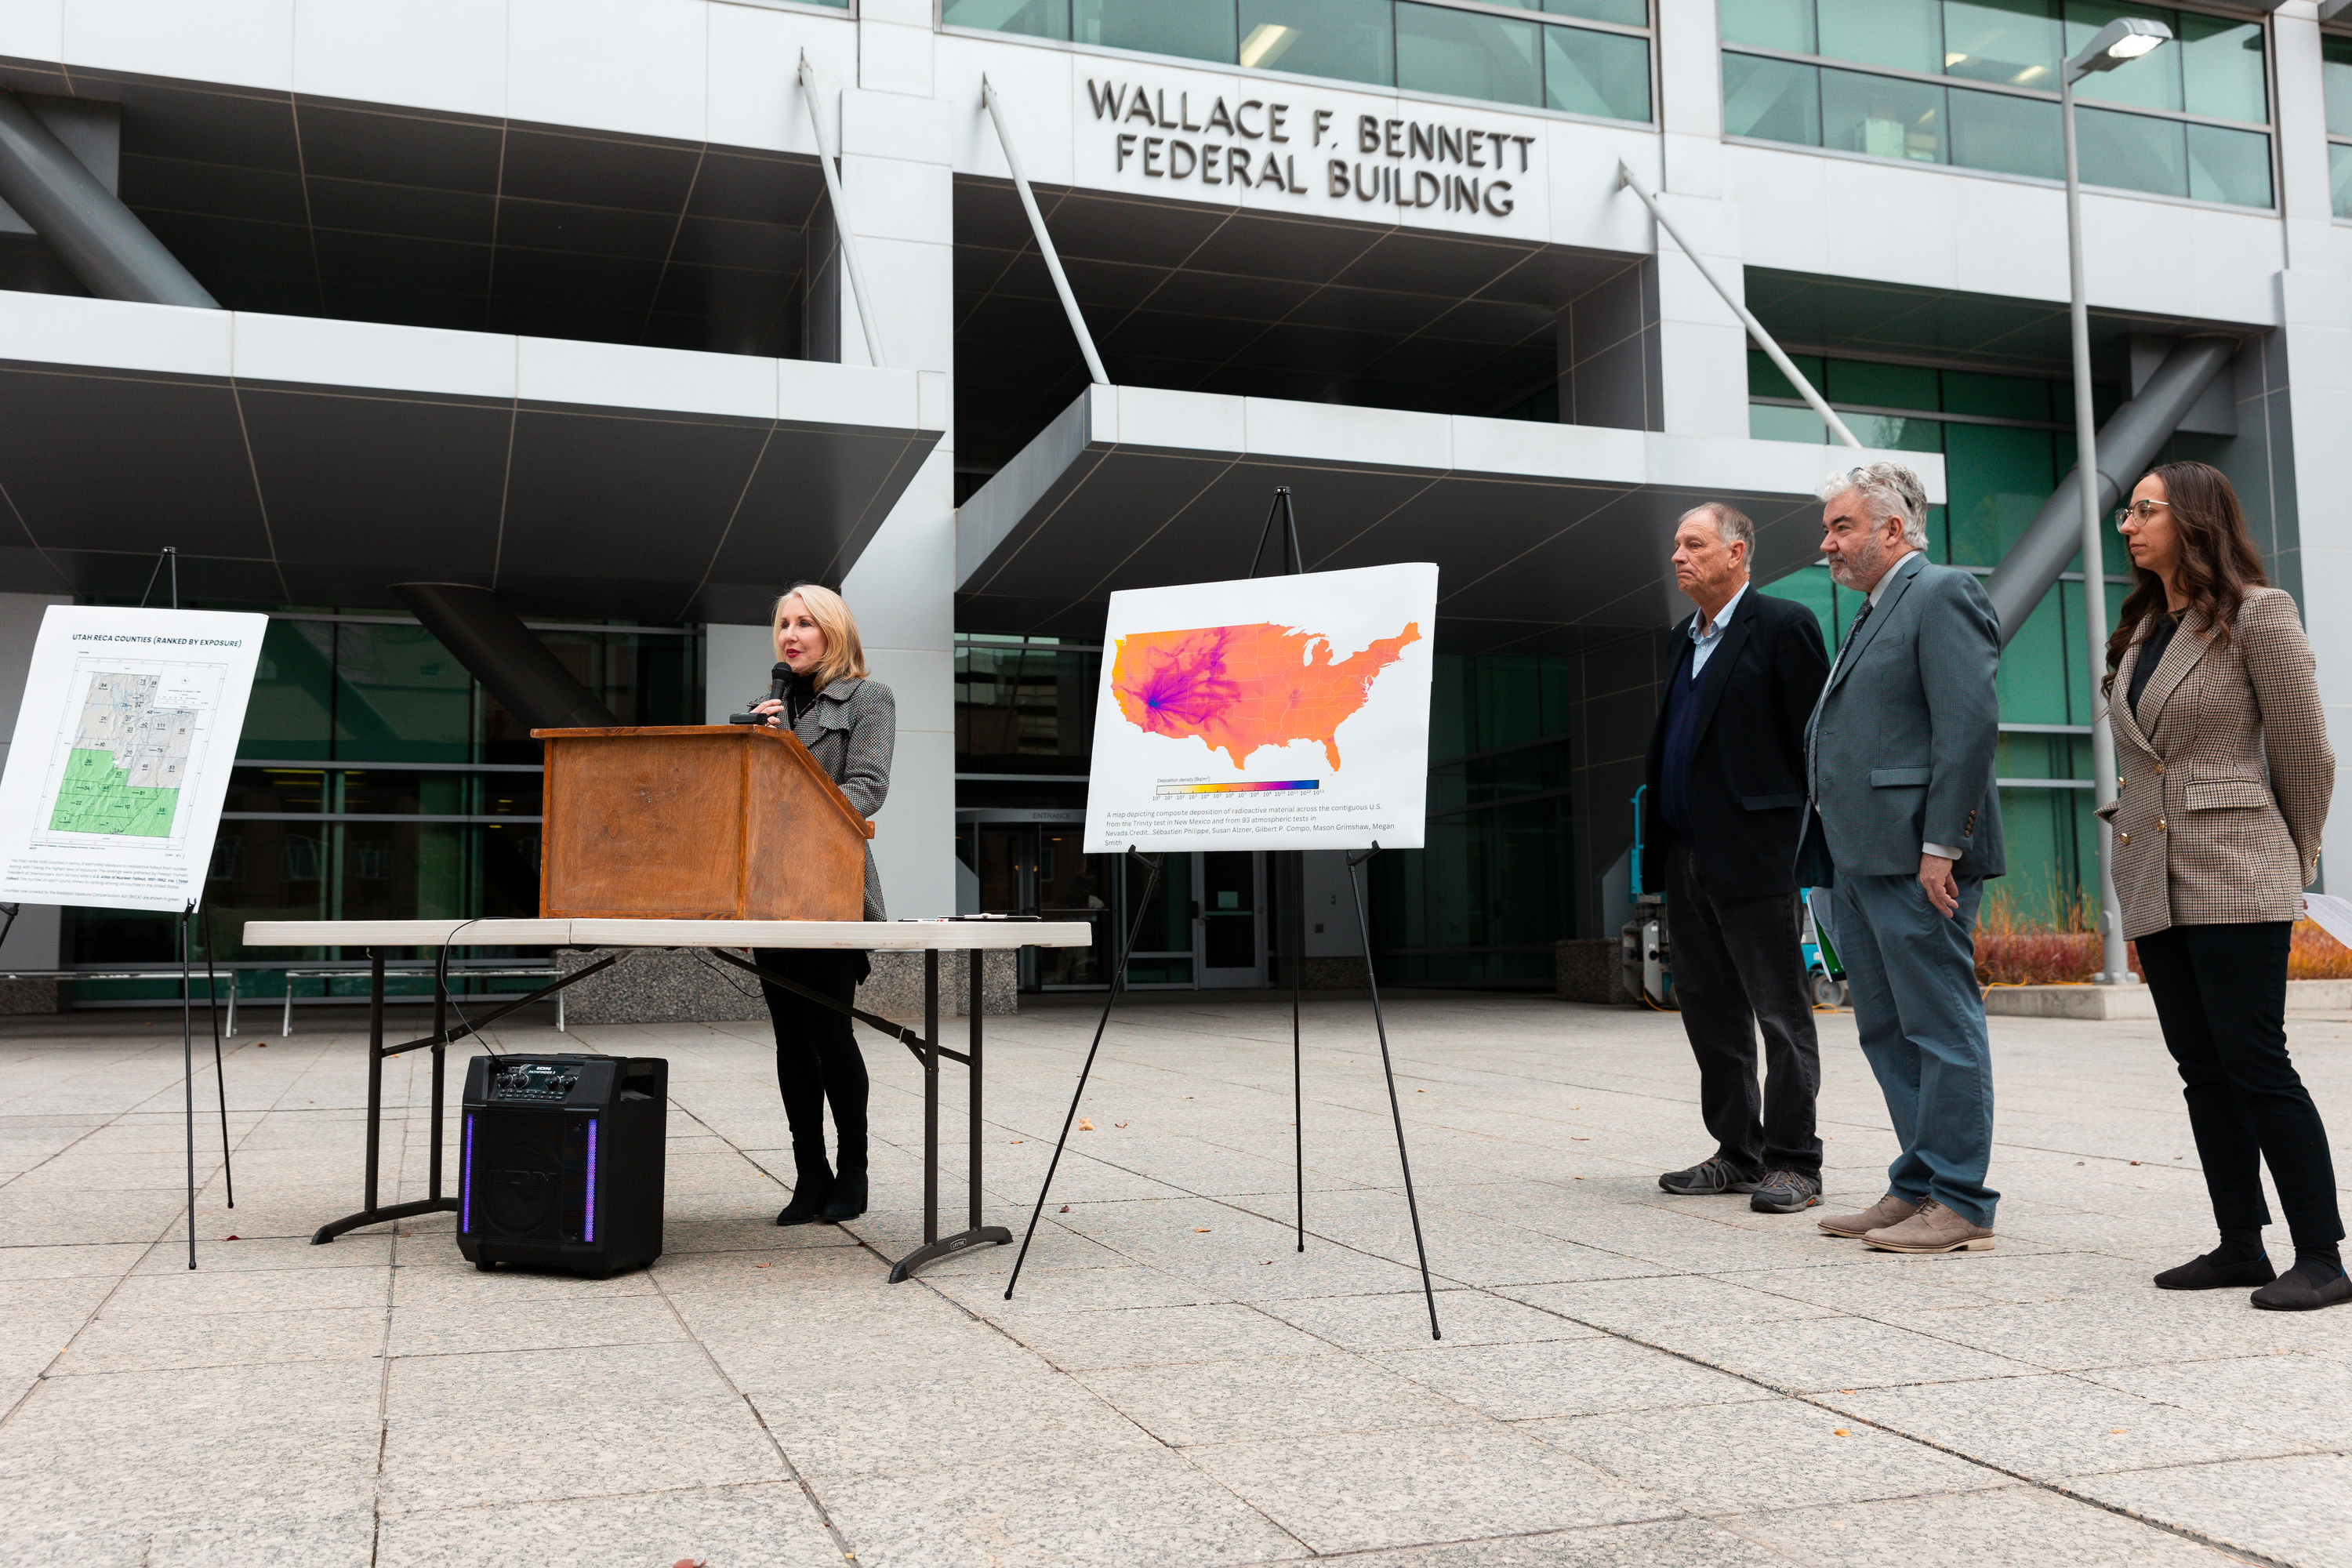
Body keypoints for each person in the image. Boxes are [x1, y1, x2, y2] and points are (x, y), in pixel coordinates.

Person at [2103, 462, 2343, 1310]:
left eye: (2146, 510)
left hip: (2239, 866)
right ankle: (2240, 1240)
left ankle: (2321, 1252)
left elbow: (2306, 750)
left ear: (2195, 518)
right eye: (2127, 512)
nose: (2127, 525)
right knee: (2201, 1066)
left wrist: (2292, 856)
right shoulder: (2138, 631)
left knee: (2254, 1059)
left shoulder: (2258, 614)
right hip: (2155, 872)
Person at [1799, 462, 2005, 1255]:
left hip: (1920, 860)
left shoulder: (1941, 591)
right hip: (1859, 858)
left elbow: (1967, 727)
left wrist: (1940, 844)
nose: (1828, 543)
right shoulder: (1874, 608)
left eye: (1842, 527)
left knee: (1939, 1025)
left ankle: (1962, 1200)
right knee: (1887, 1029)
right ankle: (1918, 1184)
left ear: (1893, 529)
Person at [1644, 503, 1832, 1214]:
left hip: (1757, 856)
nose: (1679, 556)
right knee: (1708, 1012)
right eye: (1676, 543)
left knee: (1780, 1015)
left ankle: (1795, 1163)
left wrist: (1803, 841)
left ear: (1737, 552)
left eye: (1693, 544)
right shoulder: (1679, 639)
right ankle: (1738, 1152)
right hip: (1684, 854)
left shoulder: (1783, 627)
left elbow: (1815, 742)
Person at [750, 583, 895, 1226]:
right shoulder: (770, 711)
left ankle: (854, 1169)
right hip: (769, 892)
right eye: (783, 623)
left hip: (832, 890)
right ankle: (810, 1172)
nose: (791, 634)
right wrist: (763, 745)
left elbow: (866, 789)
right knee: (789, 1039)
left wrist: (791, 759)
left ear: (833, 632)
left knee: (830, 1031)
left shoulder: (869, 697)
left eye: (805, 623)